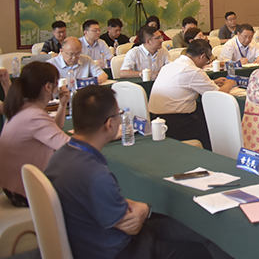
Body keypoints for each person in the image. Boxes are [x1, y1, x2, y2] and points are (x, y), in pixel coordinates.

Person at [45, 85, 233, 259]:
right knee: (201, 249)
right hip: (123, 249)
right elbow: (131, 226)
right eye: (118, 115)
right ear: (110, 124)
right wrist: (144, 208)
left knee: (190, 228)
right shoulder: (95, 174)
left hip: (90, 241)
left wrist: (141, 208)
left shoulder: (60, 156)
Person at [0, 62, 70, 207]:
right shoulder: (34, 116)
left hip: (13, 187)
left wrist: (62, 104)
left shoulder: (22, 107)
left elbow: (54, 128)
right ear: (48, 87)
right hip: (27, 192)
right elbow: (69, 147)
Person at [149, 40, 235, 150]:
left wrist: (212, 82)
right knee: (213, 121)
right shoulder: (193, 71)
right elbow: (217, 96)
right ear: (202, 56)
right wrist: (228, 83)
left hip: (155, 119)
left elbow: (185, 84)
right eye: (207, 60)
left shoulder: (169, 66)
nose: (206, 63)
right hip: (177, 122)